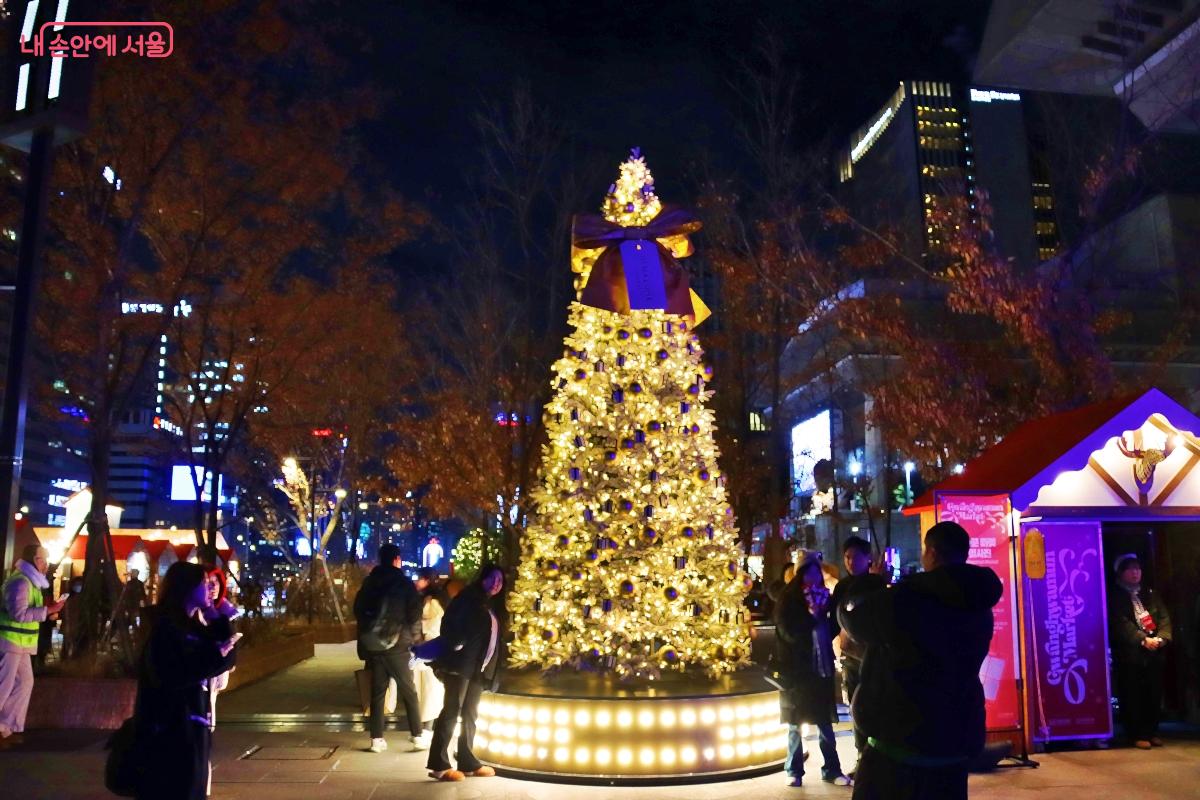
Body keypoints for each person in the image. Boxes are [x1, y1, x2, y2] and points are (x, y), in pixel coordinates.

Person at [841, 521, 1002, 800]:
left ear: (932, 553)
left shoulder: (908, 599)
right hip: (952, 741)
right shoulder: (979, 606)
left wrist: (871, 581)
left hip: (897, 741)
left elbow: (853, 616)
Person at [133, 561, 239, 799]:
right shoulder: (165, 627)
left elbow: (226, 658)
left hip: (194, 727)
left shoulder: (194, 626)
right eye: (204, 583)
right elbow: (173, 673)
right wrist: (214, 656)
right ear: (186, 589)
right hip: (170, 731)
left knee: (194, 789)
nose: (211, 588)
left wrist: (215, 617)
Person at [774, 554, 852, 788]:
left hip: (821, 667)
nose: (813, 576)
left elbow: (831, 627)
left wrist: (824, 617)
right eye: (808, 571)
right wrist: (812, 617)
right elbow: (788, 633)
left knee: (824, 721)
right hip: (797, 669)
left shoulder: (825, 598)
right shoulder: (788, 600)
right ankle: (794, 769)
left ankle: (831, 769)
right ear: (799, 574)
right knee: (795, 722)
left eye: (815, 571)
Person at [425, 563, 504, 782]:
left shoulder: (487, 603)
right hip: (460, 666)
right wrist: (457, 645)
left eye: (500, 580)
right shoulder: (468, 598)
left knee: (470, 713)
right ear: (483, 578)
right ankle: (439, 765)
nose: (497, 584)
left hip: (477, 668)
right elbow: (450, 627)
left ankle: (468, 761)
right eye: (493, 578)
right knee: (451, 711)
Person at [353, 543, 426, 754]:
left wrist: (370, 632)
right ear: (396, 560)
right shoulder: (403, 583)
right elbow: (414, 613)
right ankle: (417, 735)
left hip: (374, 645)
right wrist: (415, 639)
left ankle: (376, 739)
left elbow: (358, 610)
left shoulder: (370, 582)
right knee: (409, 691)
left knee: (377, 692)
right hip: (398, 644)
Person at [829, 536, 887, 771]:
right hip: (849, 655)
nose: (851, 562)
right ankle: (862, 755)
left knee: (874, 704)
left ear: (867, 557)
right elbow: (833, 619)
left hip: (873, 655)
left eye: (856, 556)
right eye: (847, 557)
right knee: (855, 705)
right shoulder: (843, 586)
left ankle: (876, 757)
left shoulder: (875, 584)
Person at [0, 545, 66, 748]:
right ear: (31, 560)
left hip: (19, 644)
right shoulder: (21, 582)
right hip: (11, 642)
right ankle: (6, 728)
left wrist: (48, 611)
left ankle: (6, 727)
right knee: (5, 686)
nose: (45, 564)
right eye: (41, 560)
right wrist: (47, 611)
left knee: (23, 684)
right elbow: (18, 614)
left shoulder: (29, 582)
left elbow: (27, 612)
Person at [1107, 553, 1172, 749]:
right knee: (1132, 694)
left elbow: (1164, 618)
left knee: (1153, 693)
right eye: (1130, 569)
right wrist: (1142, 640)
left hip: (1154, 654)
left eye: (1138, 569)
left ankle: (1152, 731)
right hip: (1130, 656)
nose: (1135, 573)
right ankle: (1135, 734)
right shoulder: (1115, 597)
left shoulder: (1150, 593)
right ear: (1121, 573)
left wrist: (1161, 639)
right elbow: (1120, 624)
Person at [413, 567, 446, 731]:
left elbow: (430, 627)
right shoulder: (432, 599)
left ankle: (426, 727)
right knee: (427, 690)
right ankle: (425, 726)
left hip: (428, 650)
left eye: (419, 578)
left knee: (428, 691)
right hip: (429, 650)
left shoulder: (431, 602)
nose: (416, 581)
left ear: (427, 580)